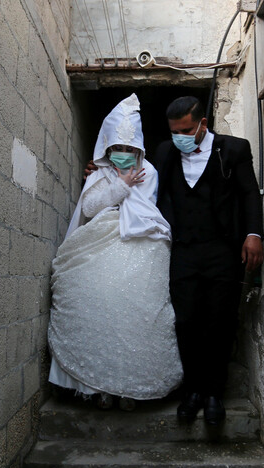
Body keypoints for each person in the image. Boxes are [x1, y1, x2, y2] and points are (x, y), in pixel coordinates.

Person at [47, 94, 183, 411]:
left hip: (138, 241)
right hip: (99, 241)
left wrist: (124, 189)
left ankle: (130, 387)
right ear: (108, 148)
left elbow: (143, 210)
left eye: (130, 149)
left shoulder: (149, 170)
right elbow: (92, 207)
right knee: (97, 309)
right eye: (118, 149)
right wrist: (120, 184)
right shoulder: (98, 172)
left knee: (135, 311)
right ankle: (96, 385)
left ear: (139, 148)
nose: (124, 154)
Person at [153, 96, 263, 425]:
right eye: (174, 131)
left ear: (203, 124)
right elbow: (140, 175)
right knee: (186, 321)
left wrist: (254, 234)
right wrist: (101, 169)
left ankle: (215, 393)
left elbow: (248, 193)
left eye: (185, 130)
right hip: (183, 250)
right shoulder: (164, 152)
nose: (179, 137)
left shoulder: (234, 149)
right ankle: (193, 391)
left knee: (220, 321)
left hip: (222, 249)